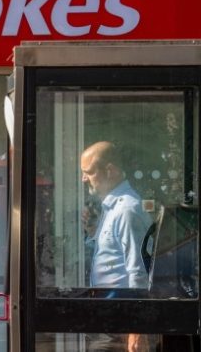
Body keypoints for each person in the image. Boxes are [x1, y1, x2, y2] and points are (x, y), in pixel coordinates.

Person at [80, 141, 153, 351]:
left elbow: (139, 271)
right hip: (109, 318)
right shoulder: (112, 208)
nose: (84, 178)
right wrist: (94, 233)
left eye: (89, 172)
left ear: (110, 170)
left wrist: (137, 328)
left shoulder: (127, 210)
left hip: (120, 321)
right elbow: (113, 257)